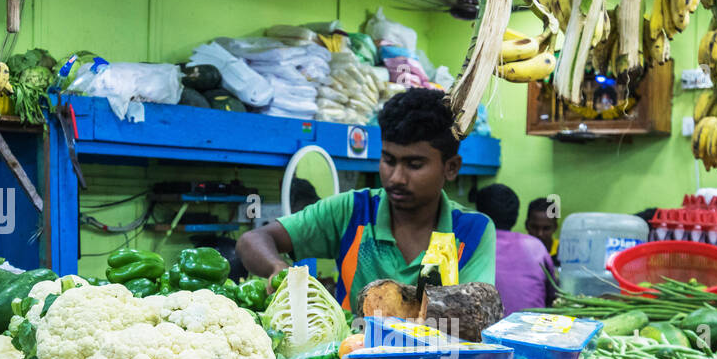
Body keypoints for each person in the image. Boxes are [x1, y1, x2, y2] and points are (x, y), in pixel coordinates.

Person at [237, 88, 496, 308]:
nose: (396, 177)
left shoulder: (473, 231)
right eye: (388, 160)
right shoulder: (352, 210)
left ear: (451, 167)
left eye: (414, 165)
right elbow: (254, 239)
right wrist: (277, 270)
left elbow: (473, 311)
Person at [474, 184, 555, 315]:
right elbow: (553, 294)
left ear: (479, 214)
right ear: (517, 217)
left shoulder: (472, 245)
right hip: (534, 330)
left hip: (487, 332)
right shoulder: (536, 246)